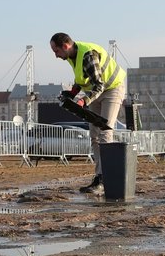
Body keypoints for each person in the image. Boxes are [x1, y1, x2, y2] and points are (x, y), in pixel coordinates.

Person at [50, 32, 126, 194]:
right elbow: (81, 79)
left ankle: (106, 179)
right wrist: (71, 93)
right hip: (95, 93)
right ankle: (99, 177)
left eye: (56, 51)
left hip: (111, 90)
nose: (56, 56)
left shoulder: (88, 56)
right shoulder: (72, 56)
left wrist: (83, 101)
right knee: (94, 135)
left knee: (105, 131)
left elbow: (99, 84)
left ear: (65, 46)